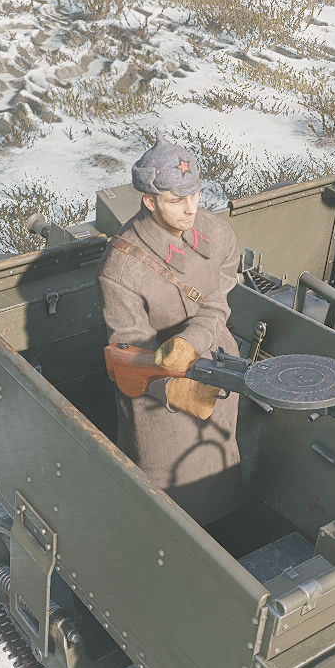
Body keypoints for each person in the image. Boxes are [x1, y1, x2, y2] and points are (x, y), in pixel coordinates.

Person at [97, 137, 244, 524]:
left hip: (217, 366)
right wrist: (177, 389)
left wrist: (192, 341)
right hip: (160, 393)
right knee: (169, 502)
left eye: (194, 194)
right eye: (177, 200)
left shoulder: (217, 233)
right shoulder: (120, 270)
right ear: (149, 201)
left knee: (218, 469)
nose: (190, 208)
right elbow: (127, 353)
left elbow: (219, 299)